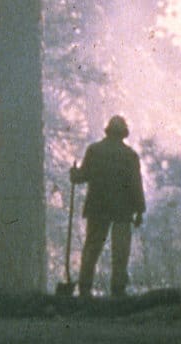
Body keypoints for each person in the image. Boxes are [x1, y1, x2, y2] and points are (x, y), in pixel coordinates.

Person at [71, 115, 146, 298]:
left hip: (98, 207)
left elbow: (82, 177)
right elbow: (136, 185)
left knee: (92, 248)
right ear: (123, 134)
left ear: (108, 131)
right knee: (120, 252)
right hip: (122, 210)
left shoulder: (94, 151)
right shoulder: (129, 156)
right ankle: (118, 289)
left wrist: (74, 173)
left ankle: (85, 288)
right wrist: (140, 211)